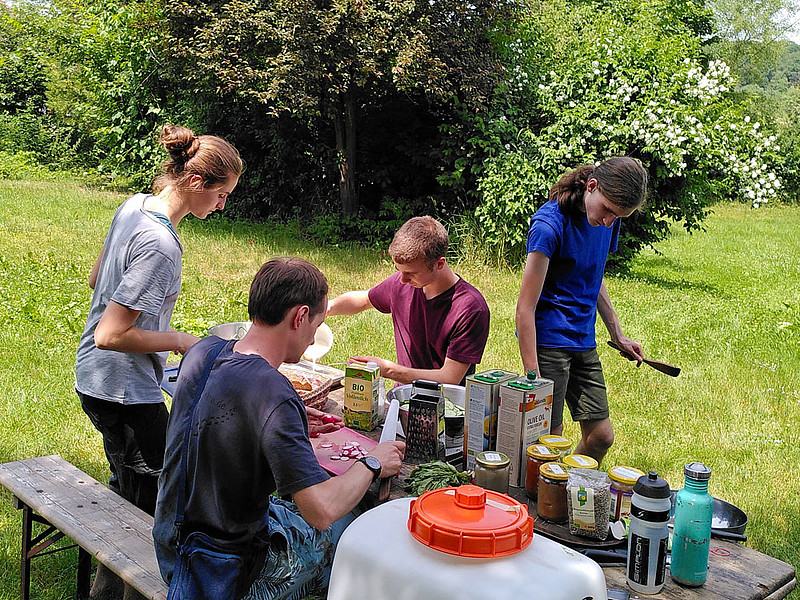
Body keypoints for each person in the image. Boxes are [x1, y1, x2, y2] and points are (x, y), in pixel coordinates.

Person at [153, 257, 405, 600]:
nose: (312, 338)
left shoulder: (203, 352)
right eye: (315, 327)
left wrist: (282, 419)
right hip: (222, 574)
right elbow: (321, 511)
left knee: (286, 510)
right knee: (350, 528)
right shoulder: (273, 394)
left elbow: (213, 416)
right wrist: (373, 462)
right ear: (300, 317)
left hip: (171, 540)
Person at [74, 124, 242, 598]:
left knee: (127, 486)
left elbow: (96, 278)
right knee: (155, 507)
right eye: (222, 193)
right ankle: (137, 589)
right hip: (121, 390)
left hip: (95, 378)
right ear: (195, 183)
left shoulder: (133, 206)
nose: (222, 205)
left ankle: (104, 592)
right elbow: (111, 334)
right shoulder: (162, 246)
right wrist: (179, 339)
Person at [515, 157, 648, 464]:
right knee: (551, 440)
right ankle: (544, 507)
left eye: (618, 216)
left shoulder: (607, 220)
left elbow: (594, 276)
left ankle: (565, 492)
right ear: (592, 187)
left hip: (583, 340)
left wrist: (618, 334)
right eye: (609, 211)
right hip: (548, 341)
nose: (610, 222)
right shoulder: (549, 226)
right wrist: (533, 374)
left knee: (601, 437)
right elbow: (524, 307)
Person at [327, 216, 490, 385]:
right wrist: (327, 308)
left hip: (444, 405)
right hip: (402, 398)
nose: (403, 279)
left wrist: (389, 370)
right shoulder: (403, 284)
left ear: (439, 264)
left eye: (411, 273)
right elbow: (364, 299)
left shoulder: (470, 308)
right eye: (399, 270)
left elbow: (449, 378)